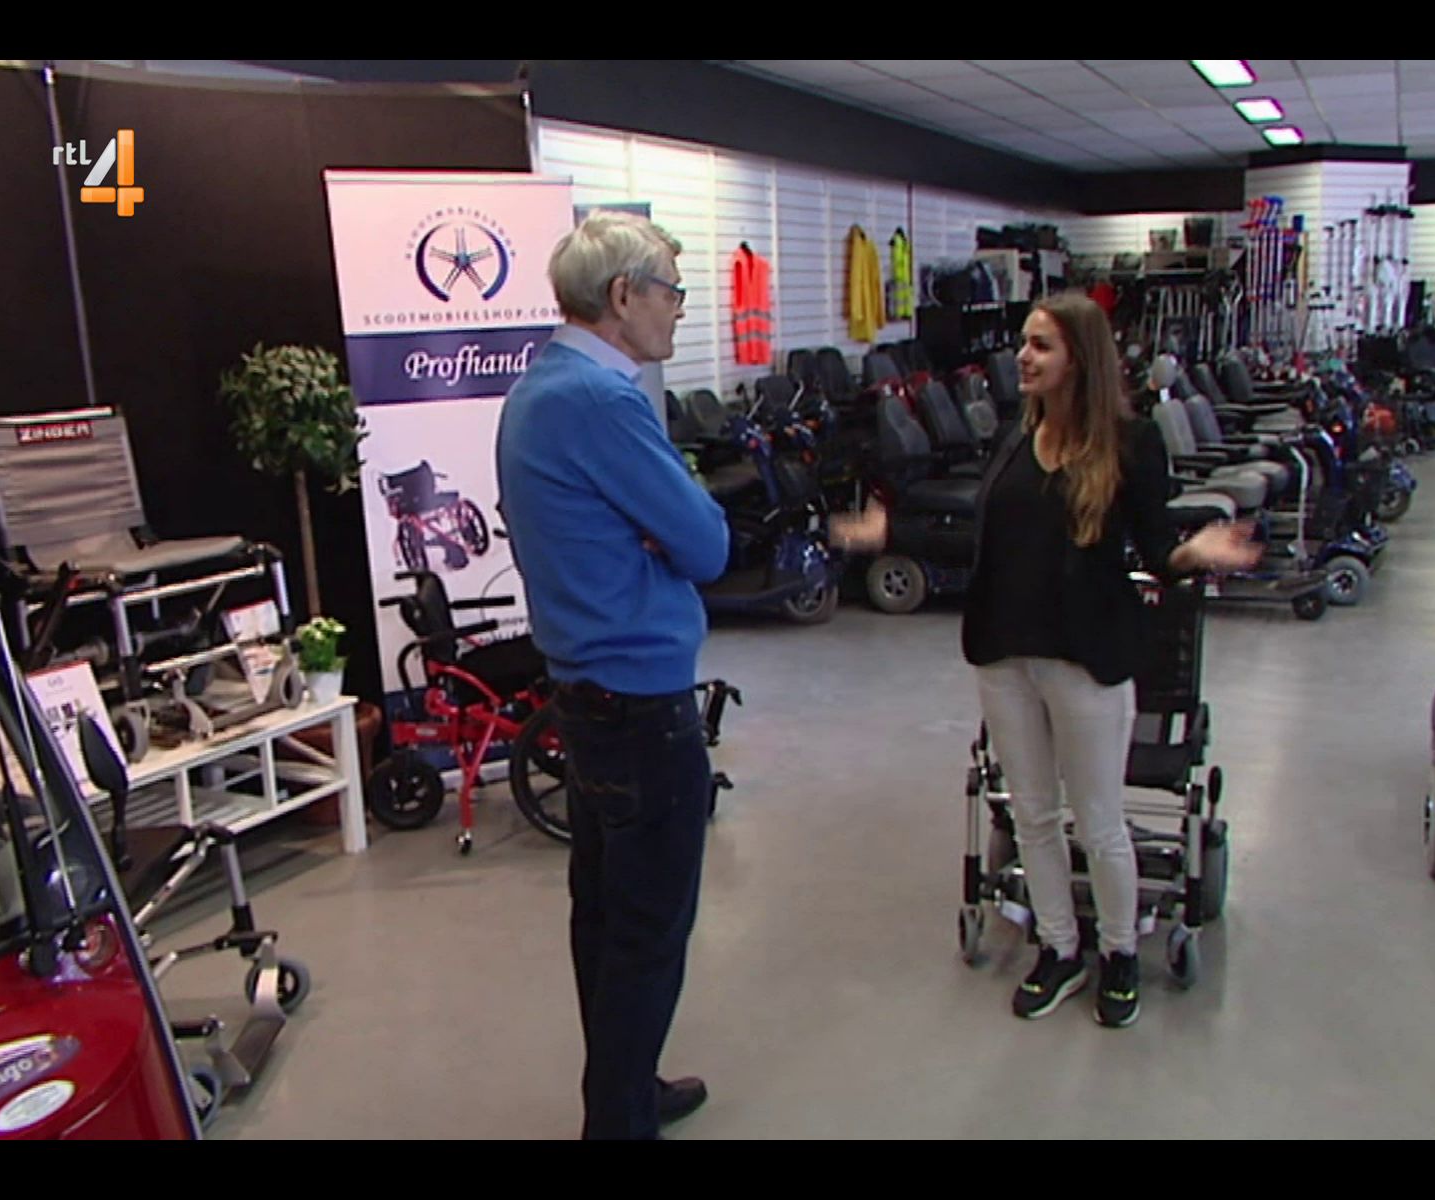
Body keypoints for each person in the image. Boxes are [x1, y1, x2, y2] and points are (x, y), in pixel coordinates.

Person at [832, 292, 1261, 1029]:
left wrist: (1198, 553)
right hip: (1004, 655)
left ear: (1079, 360)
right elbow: (983, 539)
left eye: (1041, 346)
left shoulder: (1131, 444)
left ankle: (1118, 952)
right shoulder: (1014, 437)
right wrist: (894, 534)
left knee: (1099, 822)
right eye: (1025, 343)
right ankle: (1059, 948)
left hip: (1086, 660)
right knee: (1032, 815)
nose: (1023, 357)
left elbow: (1158, 551)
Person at [495, 211, 728, 1139]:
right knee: (647, 931)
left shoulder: (542, 387)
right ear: (623, 296)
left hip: (588, 699)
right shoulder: (602, 402)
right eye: (671, 289)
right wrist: (661, 533)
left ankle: (623, 1092)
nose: (679, 308)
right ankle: (619, 1122)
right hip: (640, 707)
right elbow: (706, 544)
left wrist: (652, 532)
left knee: (605, 915)